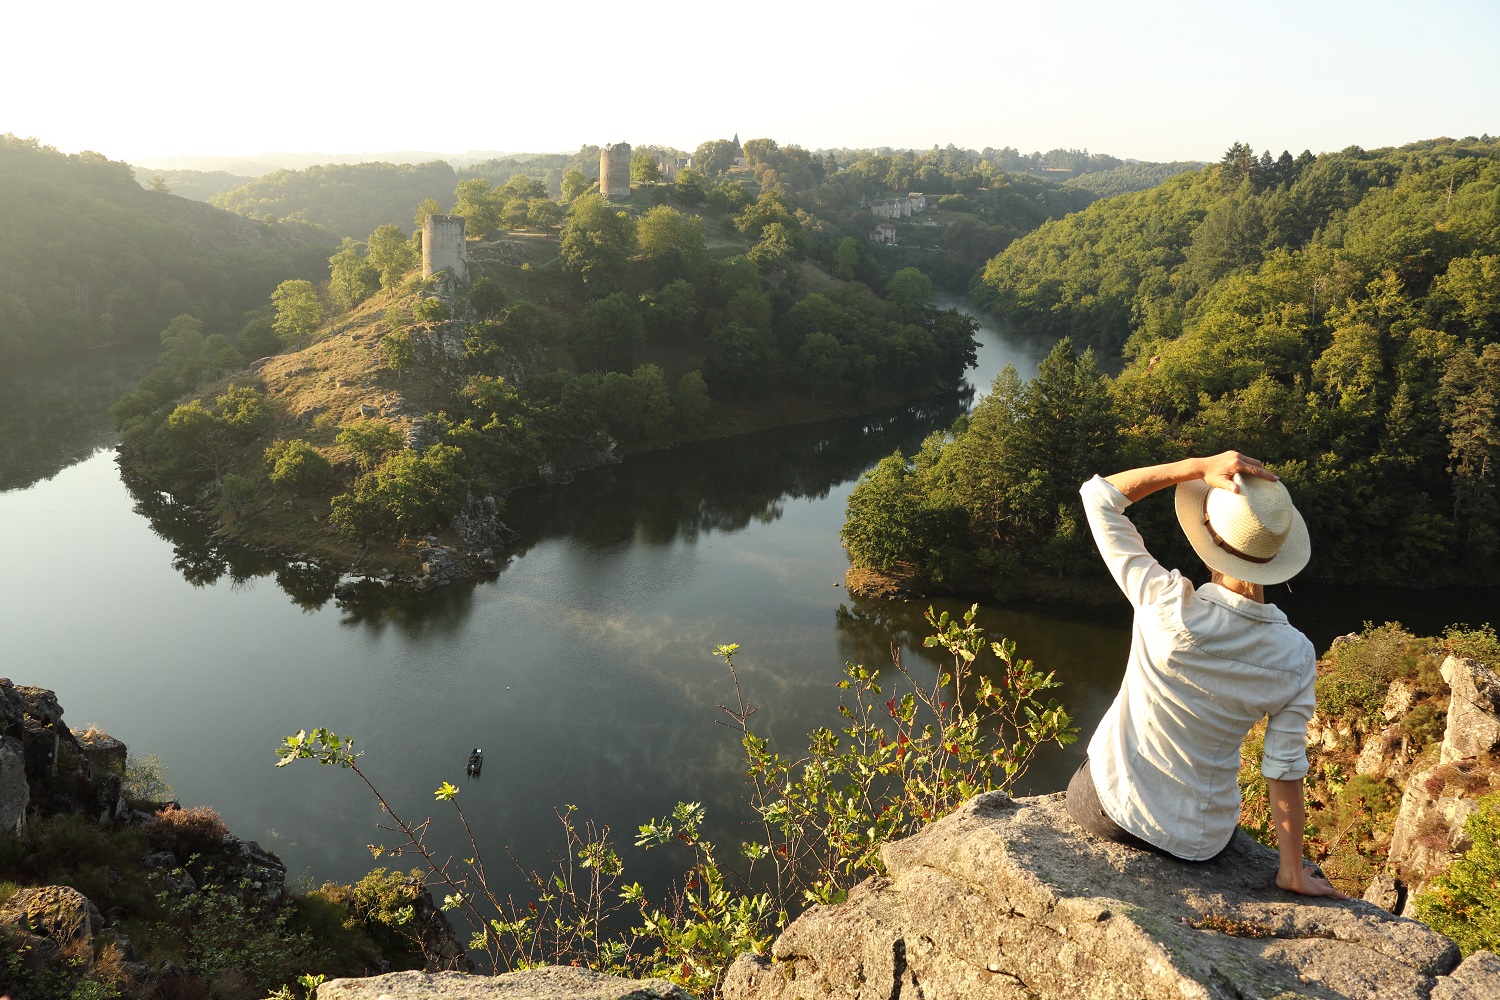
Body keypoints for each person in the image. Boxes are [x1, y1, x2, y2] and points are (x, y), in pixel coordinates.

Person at [1067, 450, 1347, 899]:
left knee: (1096, 759)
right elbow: (1284, 766)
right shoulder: (1295, 655)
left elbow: (1098, 497)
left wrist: (1195, 467)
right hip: (1201, 843)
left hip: (1111, 811)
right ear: (1276, 551)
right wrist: (1291, 869)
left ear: (1208, 536)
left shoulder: (1166, 603)